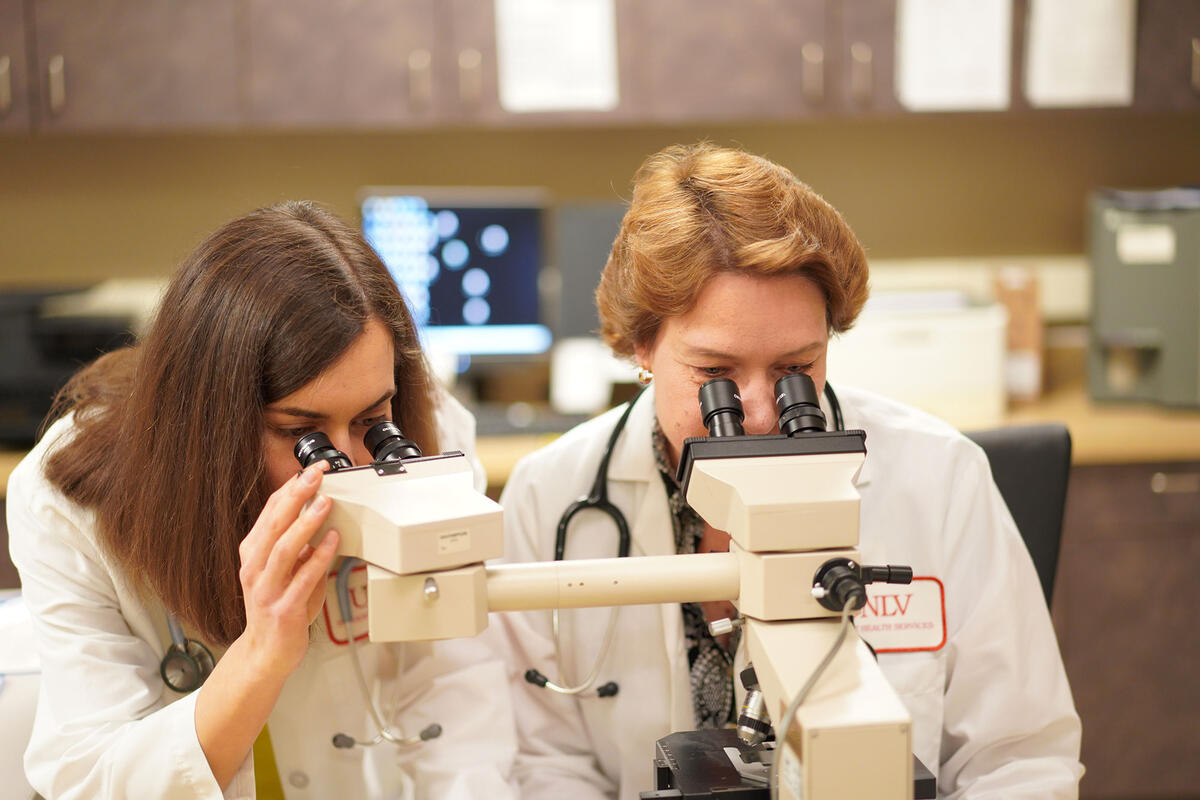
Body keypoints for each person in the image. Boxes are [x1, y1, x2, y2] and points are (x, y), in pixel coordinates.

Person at [496, 143, 1084, 798]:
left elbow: (1020, 760)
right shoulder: (549, 495)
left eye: (794, 369)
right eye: (715, 374)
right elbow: (547, 765)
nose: (755, 415)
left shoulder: (941, 477)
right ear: (643, 343)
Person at [7, 202, 519, 799]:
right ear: (210, 423)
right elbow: (92, 778)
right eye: (300, 434)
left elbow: (456, 704)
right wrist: (260, 656)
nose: (346, 465)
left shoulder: (428, 448)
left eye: (371, 419)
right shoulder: (67, 503)